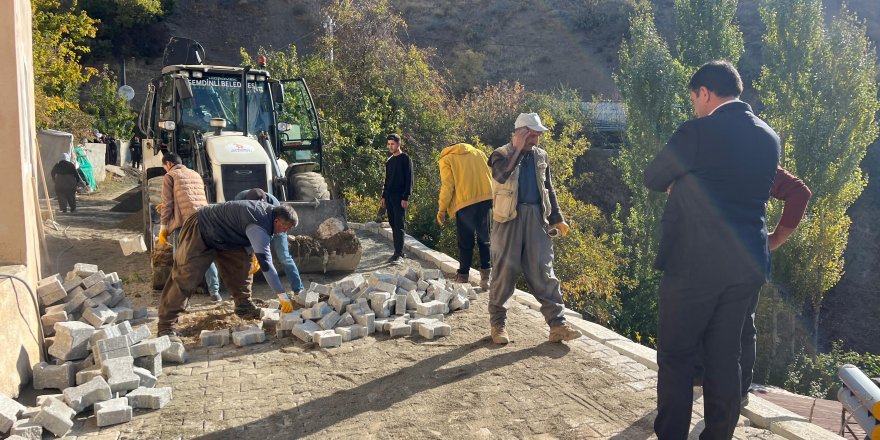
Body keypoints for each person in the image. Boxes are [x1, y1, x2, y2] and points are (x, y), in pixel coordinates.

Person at [644, 60, 780, 439]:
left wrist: (683, 180)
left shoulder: (697, 132)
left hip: (695, 264)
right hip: (747, 263)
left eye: (694, 99)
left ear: (705, 93)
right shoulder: (769, 136)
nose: (694, 107)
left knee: (677, 356)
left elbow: (654, 177)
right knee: (726, 356)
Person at [486, 113, 582, 345]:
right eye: (532, 135)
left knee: (543, 270)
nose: (536, 140)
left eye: (538, 135)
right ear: (520, 133)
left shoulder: (541, 156)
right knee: (504, 272)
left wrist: (557, 217)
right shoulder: (501, 154)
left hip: (537, 218)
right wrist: (517, 150)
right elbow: (501, 176)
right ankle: (498, 324)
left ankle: (557, 325)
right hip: (508, 218)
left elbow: (549, 187)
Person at [157, 201, 299, 340]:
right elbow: (267, 265)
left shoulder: (270, 216)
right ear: (277, 220)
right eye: (286, 227)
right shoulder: (259, 224)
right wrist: (282, 294)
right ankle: (165, 326)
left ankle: (244, 305)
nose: (286, 232)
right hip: (201, 228)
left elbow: (248, 232)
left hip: (227, 236)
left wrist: (252, 251)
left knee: (242, 265)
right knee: (186, 276)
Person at [157, 153, 221, 302]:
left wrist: (163, 227)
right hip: (204, 220)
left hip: (185, 224)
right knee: (206, 256)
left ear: (168, 164)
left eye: (164, 167)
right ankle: (215, 293)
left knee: (181, 261)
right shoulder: (195, 174)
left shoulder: (170, 176)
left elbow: (167, 204)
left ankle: (182, 298)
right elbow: (191, 197)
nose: (165, 170)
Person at [437, 142, 494, 288]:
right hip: (486, 199)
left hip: (464, 203)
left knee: (465, 241)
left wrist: (442, 209)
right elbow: (490, 174)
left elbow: (448, 186)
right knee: (485, 239)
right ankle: (486, 279)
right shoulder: (479, 153)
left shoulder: (447, 159)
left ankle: (463, 276)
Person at [234, 188, 305, 294]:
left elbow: (274, 229)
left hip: (278, 225)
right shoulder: (239, 200)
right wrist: (252, 250)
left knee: (284, 256)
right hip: (252, 226)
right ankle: (240, 293)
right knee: (244, 256)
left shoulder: (274, 204)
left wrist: (260, 251)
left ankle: (298, 289)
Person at [380, 133, 413, 263]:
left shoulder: (406, 159)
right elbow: (387, 181)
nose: (390, 146)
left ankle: (398, 253)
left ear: (398, 144)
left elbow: (410, 180)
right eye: (388, 144)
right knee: (393, 224)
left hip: (400, 197)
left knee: (399, 225)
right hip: (389, 197)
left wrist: (406, 197)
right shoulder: (389, 161)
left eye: (392, 144)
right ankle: (398, 251)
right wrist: (383, 196)